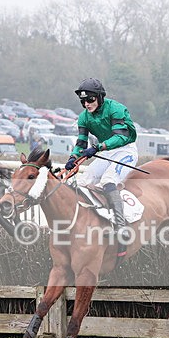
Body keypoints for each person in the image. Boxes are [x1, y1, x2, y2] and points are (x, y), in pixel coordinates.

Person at [64, 78, 138, 242]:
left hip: (125, 150)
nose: (87, 104)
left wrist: (98, 147)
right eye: (83, 101)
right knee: (83, 181)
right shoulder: (84, 117)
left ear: (100, 97)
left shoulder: (116, 109)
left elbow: (121, 137)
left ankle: (121, 227)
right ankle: (90, 223)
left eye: (90, 99)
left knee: (108, 180)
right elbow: (81, 143)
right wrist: (73, 158)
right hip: (105, 152)